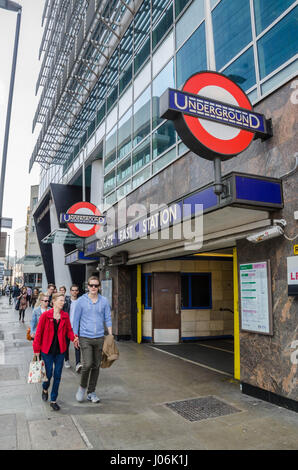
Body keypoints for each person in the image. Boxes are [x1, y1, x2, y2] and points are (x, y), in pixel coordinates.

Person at [33, 292, 79, 411]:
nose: (63, 303)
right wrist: (36, 350)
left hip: (60, 351)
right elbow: (38, 334)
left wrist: (73, 338)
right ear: (53, 301)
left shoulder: (65, 316)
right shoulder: (45, 316)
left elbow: (69, 330)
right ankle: (45, 388)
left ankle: (53, 400)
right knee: (48, 374)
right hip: (47, 351)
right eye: (61, 300)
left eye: (64, 301)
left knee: (57, 375)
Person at [73, 276, 112, 404]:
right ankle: (82, 387)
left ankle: (91, 392)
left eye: (96, 285)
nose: (93, 288)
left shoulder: (104, 301)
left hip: (100, 337)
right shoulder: (81, 301)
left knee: (96, 365)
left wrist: (110, 336)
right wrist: (75, 336)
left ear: (99, 286)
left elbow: (108, 318)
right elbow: (76, 320)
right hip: (85, 337)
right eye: (91, 285)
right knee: (88, 364)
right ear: (87, 286)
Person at [63, 284, 82, 372]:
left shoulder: (80, 302)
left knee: (77, 345)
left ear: (78, 292)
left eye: (76, 290)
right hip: (67, 327)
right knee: (66, 346)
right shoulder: (66, 302)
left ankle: (78, 363)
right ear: (70, 291)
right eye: (73, 290)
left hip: (76, 328)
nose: (74, 292)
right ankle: (66, 360)